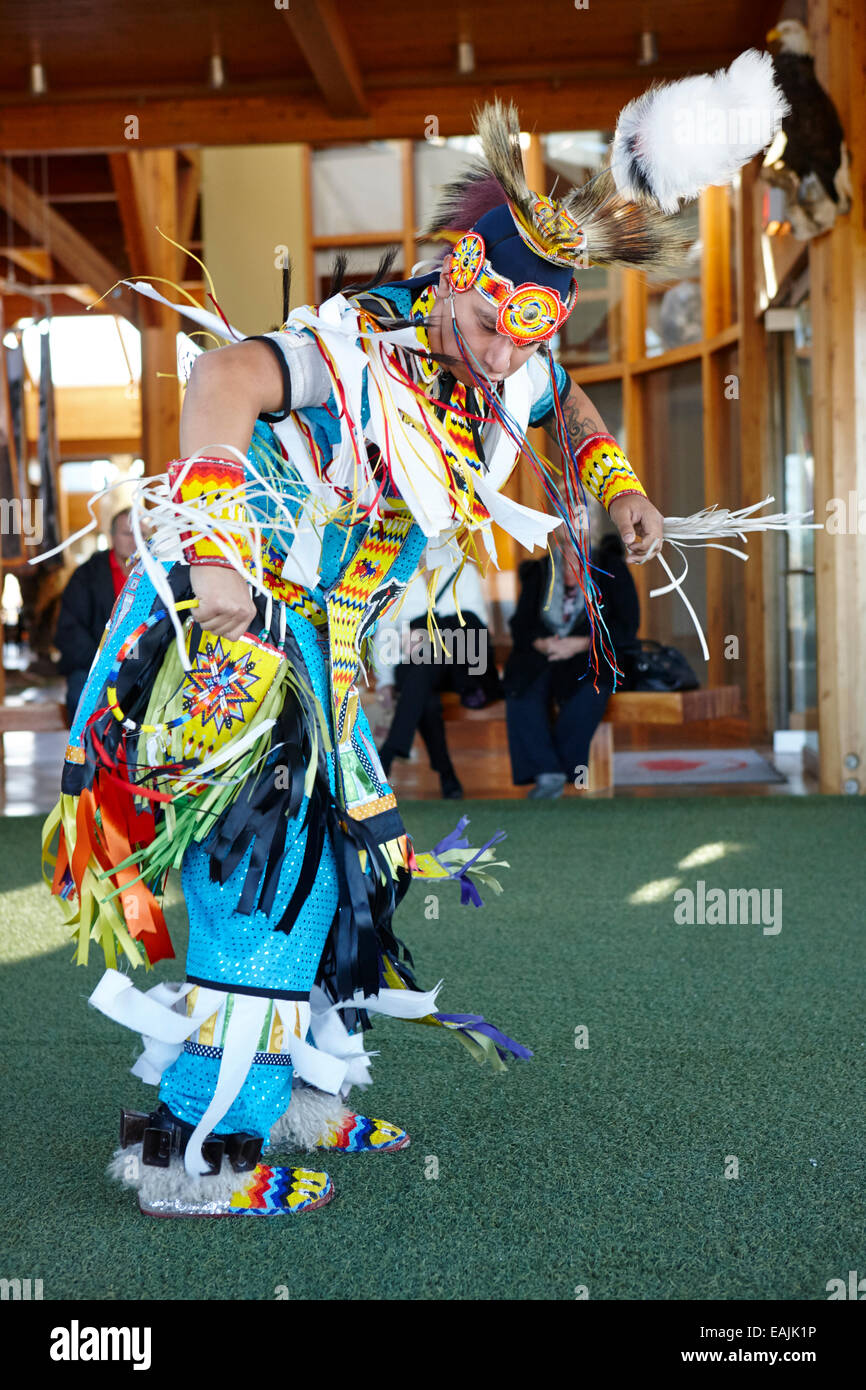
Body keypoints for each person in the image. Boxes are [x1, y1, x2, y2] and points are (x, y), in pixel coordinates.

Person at [41, 80, 775, 1219]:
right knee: (268, 880)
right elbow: (222, 378)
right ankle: (195, 1152)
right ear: (452, 275)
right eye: (489, 326)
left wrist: (614, 483)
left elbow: (558, 403)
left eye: (525, 335)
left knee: (345, 872)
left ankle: (294, 1094)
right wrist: (220, 552)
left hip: (330, 652)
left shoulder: (507, 359)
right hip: (246, 634)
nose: (499, 359)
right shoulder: (358, 346)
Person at [505, 529, 639, 797]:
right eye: (564, 511)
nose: (571, 521)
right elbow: (521, 624)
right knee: (519, 686)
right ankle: (547, 773)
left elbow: (627, 625)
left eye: (579, 513)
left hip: (594, 651)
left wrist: (580, 643)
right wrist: (542, 643)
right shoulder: (541, 569)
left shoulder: (610, 567)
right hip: (546, 652)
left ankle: (554, 769)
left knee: (592, 688)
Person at [373, 540, 501, 799]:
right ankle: (446, 775)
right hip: (408, 666)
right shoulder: (397, 574)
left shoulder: (461, 568)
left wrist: (427, 634)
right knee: (425, 689)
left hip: (457, 667)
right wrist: (384, 681)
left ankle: (392, 753)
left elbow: (476, 625)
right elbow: (384, 631)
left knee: (428, 666)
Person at [54, 509, 136, 721]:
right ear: (112, 537)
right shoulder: (87, 575)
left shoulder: (158, 575)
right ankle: (87, 754)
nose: (136, 540)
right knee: (80, 697)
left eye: (143, 534)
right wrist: (106, 660)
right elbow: (69, 630)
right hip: (93, 664)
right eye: (127, 533)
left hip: (142, 663)